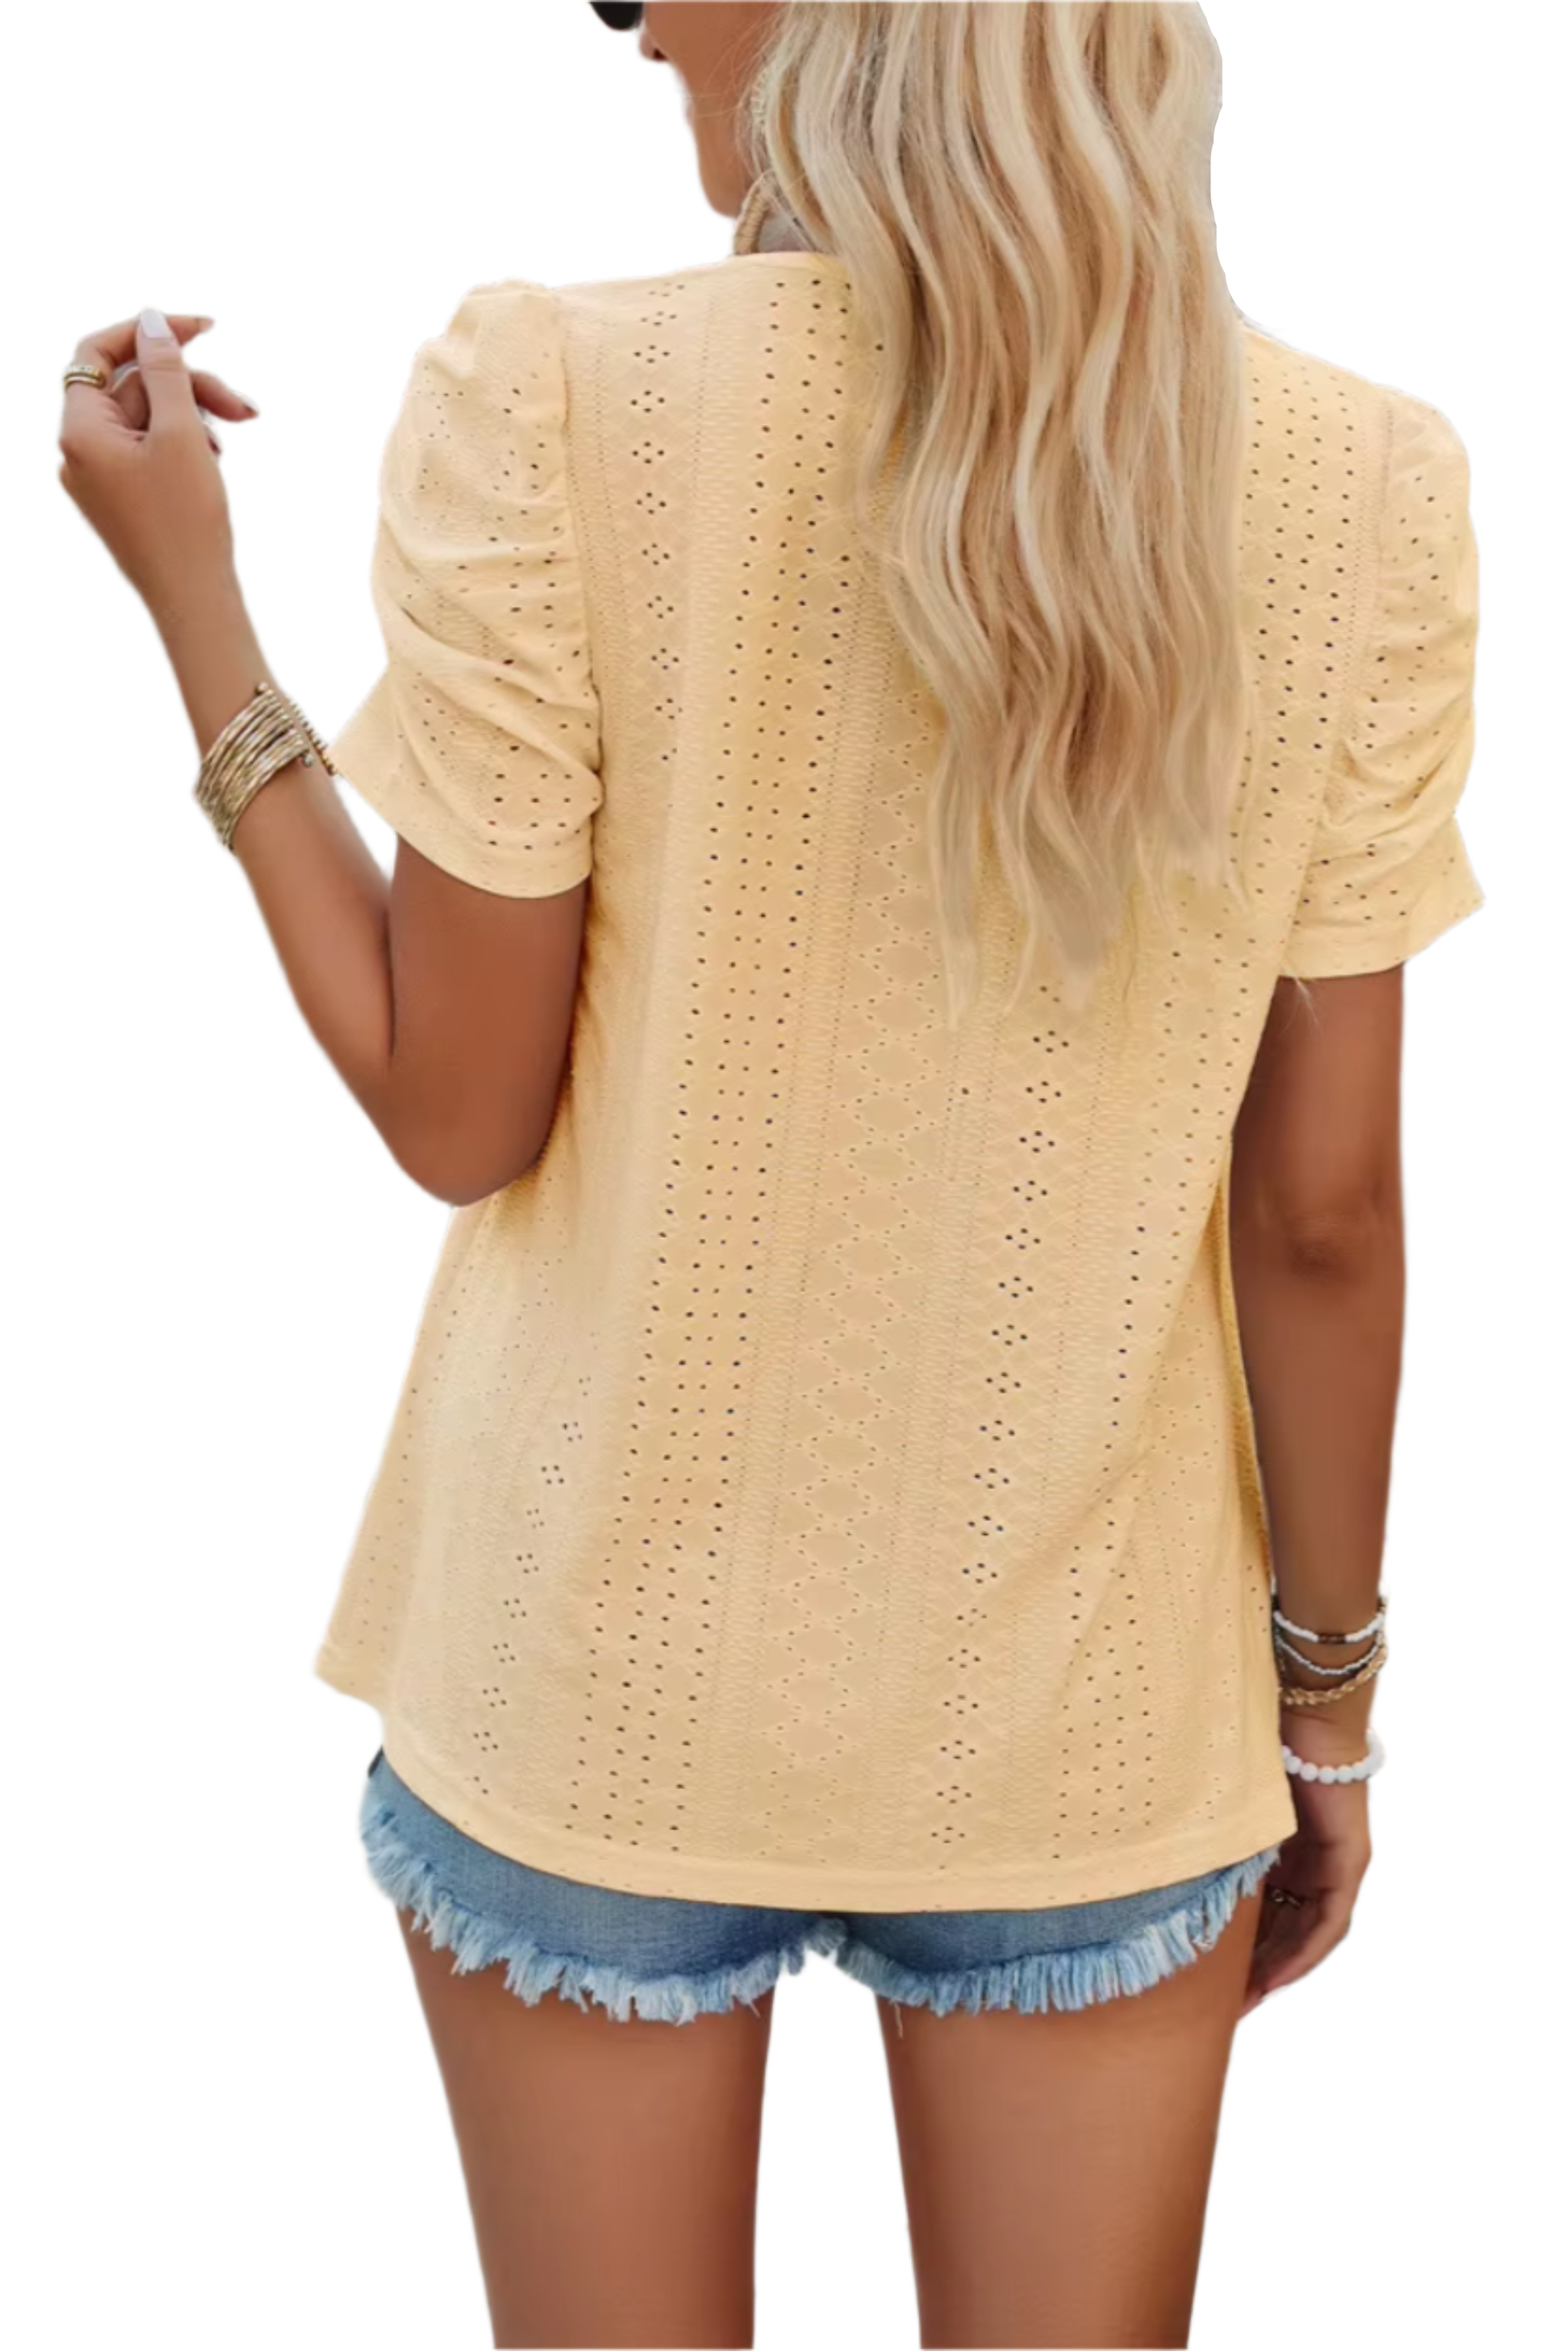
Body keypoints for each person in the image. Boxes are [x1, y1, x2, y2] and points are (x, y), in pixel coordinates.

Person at [56, 3, 1485, 2343]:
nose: (624, 31)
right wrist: (1325, 1704)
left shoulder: (550, 395)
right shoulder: (1363, 486)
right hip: (1085, 1722)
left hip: (590, 1684)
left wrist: (197, 612)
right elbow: (1322, 1212)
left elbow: (454, 1107)